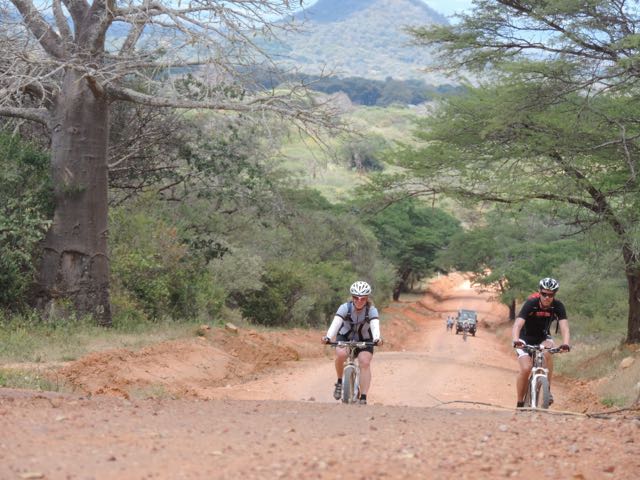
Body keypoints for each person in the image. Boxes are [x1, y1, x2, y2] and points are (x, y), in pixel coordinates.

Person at [512, 277, 571, 408]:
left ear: (554, 295)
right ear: (539, 292)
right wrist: (516, 339)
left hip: (543, 337)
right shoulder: (531, 303)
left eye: (550, 295)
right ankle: (520, 402)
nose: (547, 297)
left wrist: (566, 343)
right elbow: (517, 324)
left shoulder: (558, 306)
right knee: (526, 368)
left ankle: (547, 390)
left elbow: (564, 327)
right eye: (544, 294)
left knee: (548, 352)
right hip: (524, 338)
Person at [321, 280, 382, 405]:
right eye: (356, 297)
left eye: (363, 299)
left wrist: (377, 339)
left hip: (365, 340)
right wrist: (328, 337)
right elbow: (336, 324)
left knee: (364, 362)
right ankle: (339, 381)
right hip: (345, 337)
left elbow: (375, 326)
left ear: (367, 298)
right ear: (352, 297)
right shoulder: (345, 308)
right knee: (341, 354)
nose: (359, 301)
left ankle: (363, 397)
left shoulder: (372, 310)